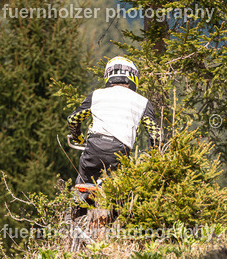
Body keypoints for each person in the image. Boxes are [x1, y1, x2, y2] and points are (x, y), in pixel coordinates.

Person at [67, 56, 162, 187]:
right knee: (118, 192)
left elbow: (73, 119)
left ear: (108, 76)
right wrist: (153, 156)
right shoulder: (142, 102)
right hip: (120, 150)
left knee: (83, 185)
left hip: (94, 147)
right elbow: (155, 134)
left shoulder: (96, 95)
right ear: (133, 77)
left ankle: (79, 203)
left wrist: (78, 138)